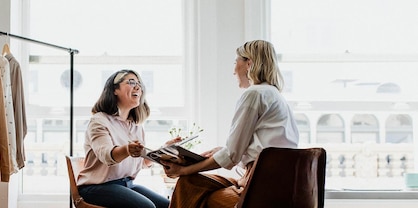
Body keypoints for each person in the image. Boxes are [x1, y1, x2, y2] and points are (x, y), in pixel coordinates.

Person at [162, 40, 299, 208]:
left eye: (236, 62)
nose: (234, 71)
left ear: (249, 63)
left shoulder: (254, 94)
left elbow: (231, 156)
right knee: (193, 185)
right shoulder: (274, 95)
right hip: (277, 184)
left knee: (188, 185)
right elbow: (252, 150)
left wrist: (183, 170)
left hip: (258, 188)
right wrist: (223, 151)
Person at [77, 69, 171, 208]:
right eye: (131, 82)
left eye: (139, 83)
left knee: (168, 205)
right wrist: (127, 150)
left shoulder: (136, 126)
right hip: (96, 187)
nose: (138, 87)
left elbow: (142, 162)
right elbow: (106, 156)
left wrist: (164, 149)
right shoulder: (99, 121)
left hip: (126, 185)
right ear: (115, 89)